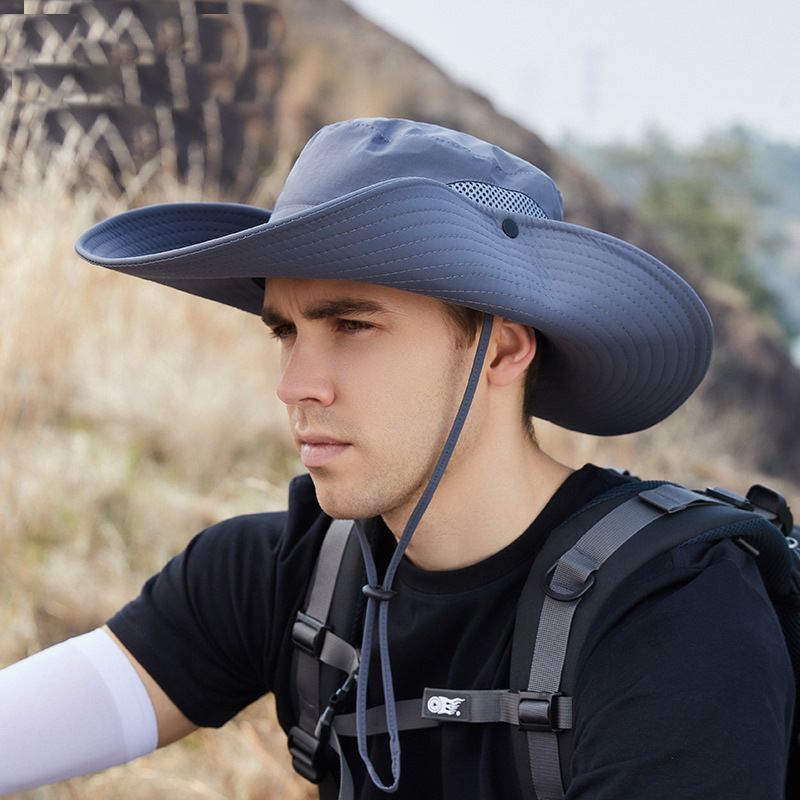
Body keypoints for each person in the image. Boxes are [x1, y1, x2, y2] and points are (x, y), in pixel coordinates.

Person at [0, 117, 794, 799]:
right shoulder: (286, 577)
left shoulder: (676, 610)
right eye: (285, 330)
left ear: (501, 350)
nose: (295, 384)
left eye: (351, 325)